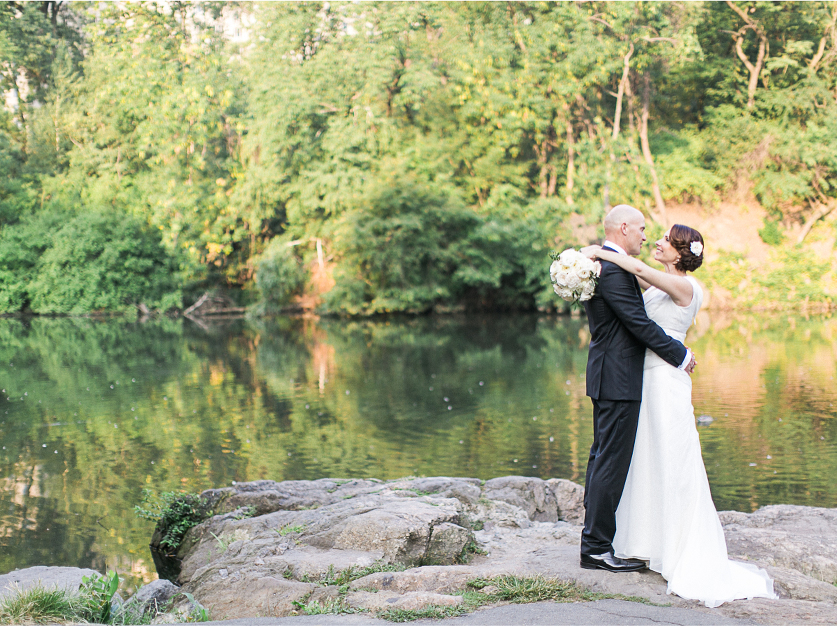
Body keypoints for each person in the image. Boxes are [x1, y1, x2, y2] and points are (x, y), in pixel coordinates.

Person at [582, 224, 777, 607]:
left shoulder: (684, 286)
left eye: (665, 241)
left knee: (672, 457)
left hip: (665, 380)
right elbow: (631, 293)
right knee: (645, 459)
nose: (656, 242)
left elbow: (637, 270)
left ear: (679, 252)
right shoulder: (661, 284)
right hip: (643, 379)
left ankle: (678, 546)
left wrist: (600, 252)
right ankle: (647, 540)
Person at [579, 205, 695, 573]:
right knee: (609, 462)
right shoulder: (613, 269)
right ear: (625, 228)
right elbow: (637, 323)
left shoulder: (609, 266)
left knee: (603, 458)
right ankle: (596, 547)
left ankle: (598, 541)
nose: (647, 236)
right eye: (643, 229)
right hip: (619, 377)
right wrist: (680, 354)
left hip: (614, 375)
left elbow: (643, 286)